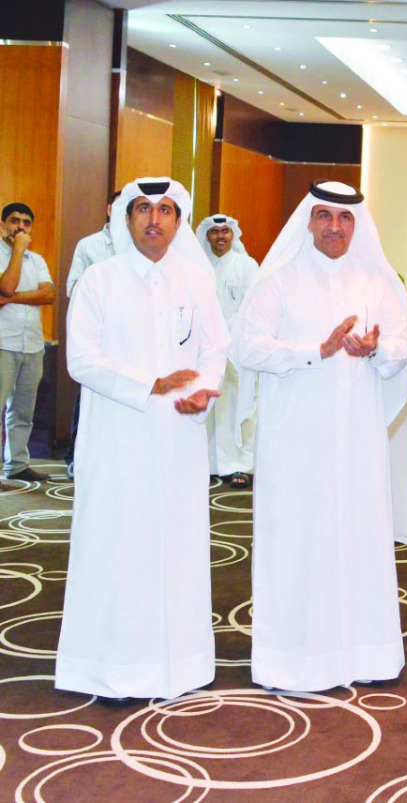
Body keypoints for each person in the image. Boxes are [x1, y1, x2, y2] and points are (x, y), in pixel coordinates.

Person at [231, 181, 407, 692]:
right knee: (297, 535)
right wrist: (317, 349)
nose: (335, 226)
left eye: (345, 218)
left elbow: (404, 346)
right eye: (325, 216)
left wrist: (377, 349)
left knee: (358, 532)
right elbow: (248, 348)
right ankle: (294, 659)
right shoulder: (278, 281)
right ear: (309, 221)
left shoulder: (378, 284)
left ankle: (365, 654)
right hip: (295, 441)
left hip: (357, 439)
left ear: (358, 224)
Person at [56, 178, 228, 703]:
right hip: (117, 439)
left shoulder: (197, 282)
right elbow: (80, 360)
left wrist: (202, 392)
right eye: (144, 210)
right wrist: (147, 385)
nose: (155, 219)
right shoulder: (99, 280)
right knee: (117, 544)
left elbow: (216, 347)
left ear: (179, 222)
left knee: (176, 546)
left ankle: (181, 666)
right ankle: (109, 667)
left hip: (178, 437)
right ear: (126, 220)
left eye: (167, 210)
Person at [197, 214, 258, 488]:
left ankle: (240, 464)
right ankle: (209, 464)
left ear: (233, 235)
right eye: (214, 232)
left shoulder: (247, 266)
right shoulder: (197, 267)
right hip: (206, 349)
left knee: (240, 405)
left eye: (225, 232)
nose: (220, 236)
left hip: (238, 349)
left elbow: (254, 309)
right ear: (207, 236)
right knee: (209, 407)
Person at [63, 191, 121, 479]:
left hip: (129, 340)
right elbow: (72, 287)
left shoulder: (141, 246)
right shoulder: (89, 245)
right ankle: (77, 458)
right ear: (110, 208)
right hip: (98, 337)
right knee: (87, 399)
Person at [0, 202, 56, 483]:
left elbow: (48, 295)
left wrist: (10, 299)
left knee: (23, 410)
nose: (20, 226)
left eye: (26, 222)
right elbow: (7, 285)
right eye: (14, 221)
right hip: (3, 344)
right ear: (2, 225)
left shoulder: (38, 260)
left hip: (33, 345)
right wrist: (18, 251)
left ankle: (17, 464)